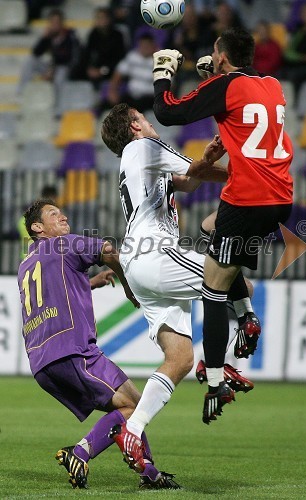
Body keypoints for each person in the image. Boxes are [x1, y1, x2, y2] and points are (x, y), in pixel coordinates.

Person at [101, 103, 256, 471]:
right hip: (156, 252)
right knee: (236, 279)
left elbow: (188, 181)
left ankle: (133, 431)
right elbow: (194, 170)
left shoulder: (135, 160)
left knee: (179, 359)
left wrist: (208, 164)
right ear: (134, 125)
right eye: (142, 116)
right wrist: (243, 175)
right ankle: (228, 352)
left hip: (138, 263)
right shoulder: (145, 148)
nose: (150, 121)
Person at [152, 27, 293, 423]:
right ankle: (246, 316)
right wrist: (213, 79)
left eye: (214, 54)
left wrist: (163, 73)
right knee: (211, 229)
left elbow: (168, 112)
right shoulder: (272, 84)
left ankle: (215, 381)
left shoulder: (226, 86)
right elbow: (242, 110)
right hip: (280, 199)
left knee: (211, 290)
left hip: (247, 200)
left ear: (222, 56)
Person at [17, 199, 180, 490]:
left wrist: (90, 283)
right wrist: (129, 286)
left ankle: (149, 473)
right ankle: (78, 452)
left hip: (42, 363)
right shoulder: (64, 244)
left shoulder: (26, 264)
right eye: (53, 214)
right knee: (134, 406)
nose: (63, 216)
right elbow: (108, 251)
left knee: (130, 404)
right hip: (74, 350)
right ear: (38, 228)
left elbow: (50, 294)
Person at [17, 9, 81, 96]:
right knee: (30, 61)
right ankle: (22, 92)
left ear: (62, 22)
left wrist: (52, 71)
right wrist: (44, 38)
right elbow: (36, 53)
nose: (55, 25)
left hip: (66, 68)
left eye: (57, 22)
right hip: (52, 68)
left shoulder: (70, 36)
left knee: (61, 73)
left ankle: (57, 101)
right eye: (52, 22)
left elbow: (72, 59)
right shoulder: (50, 36)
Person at [99, 33, 158, 115]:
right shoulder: (132, 56)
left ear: (153, 46)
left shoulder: (160, 61)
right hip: (132, 96)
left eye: (147, 46)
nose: (144, 48)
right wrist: (112, 91)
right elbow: (118, 73)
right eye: (142, 46)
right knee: (106, 105)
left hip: (149, 98)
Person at [78, 7, 126, 90]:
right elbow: (86, 54)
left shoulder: (117, 35)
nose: (99, 20)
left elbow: (119, 59)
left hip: (110, 71)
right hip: (96, 70)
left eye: (102, 18)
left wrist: (102, 71)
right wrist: (89, 69)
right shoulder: (93, 34)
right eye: (97, 18)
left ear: (109, 19)